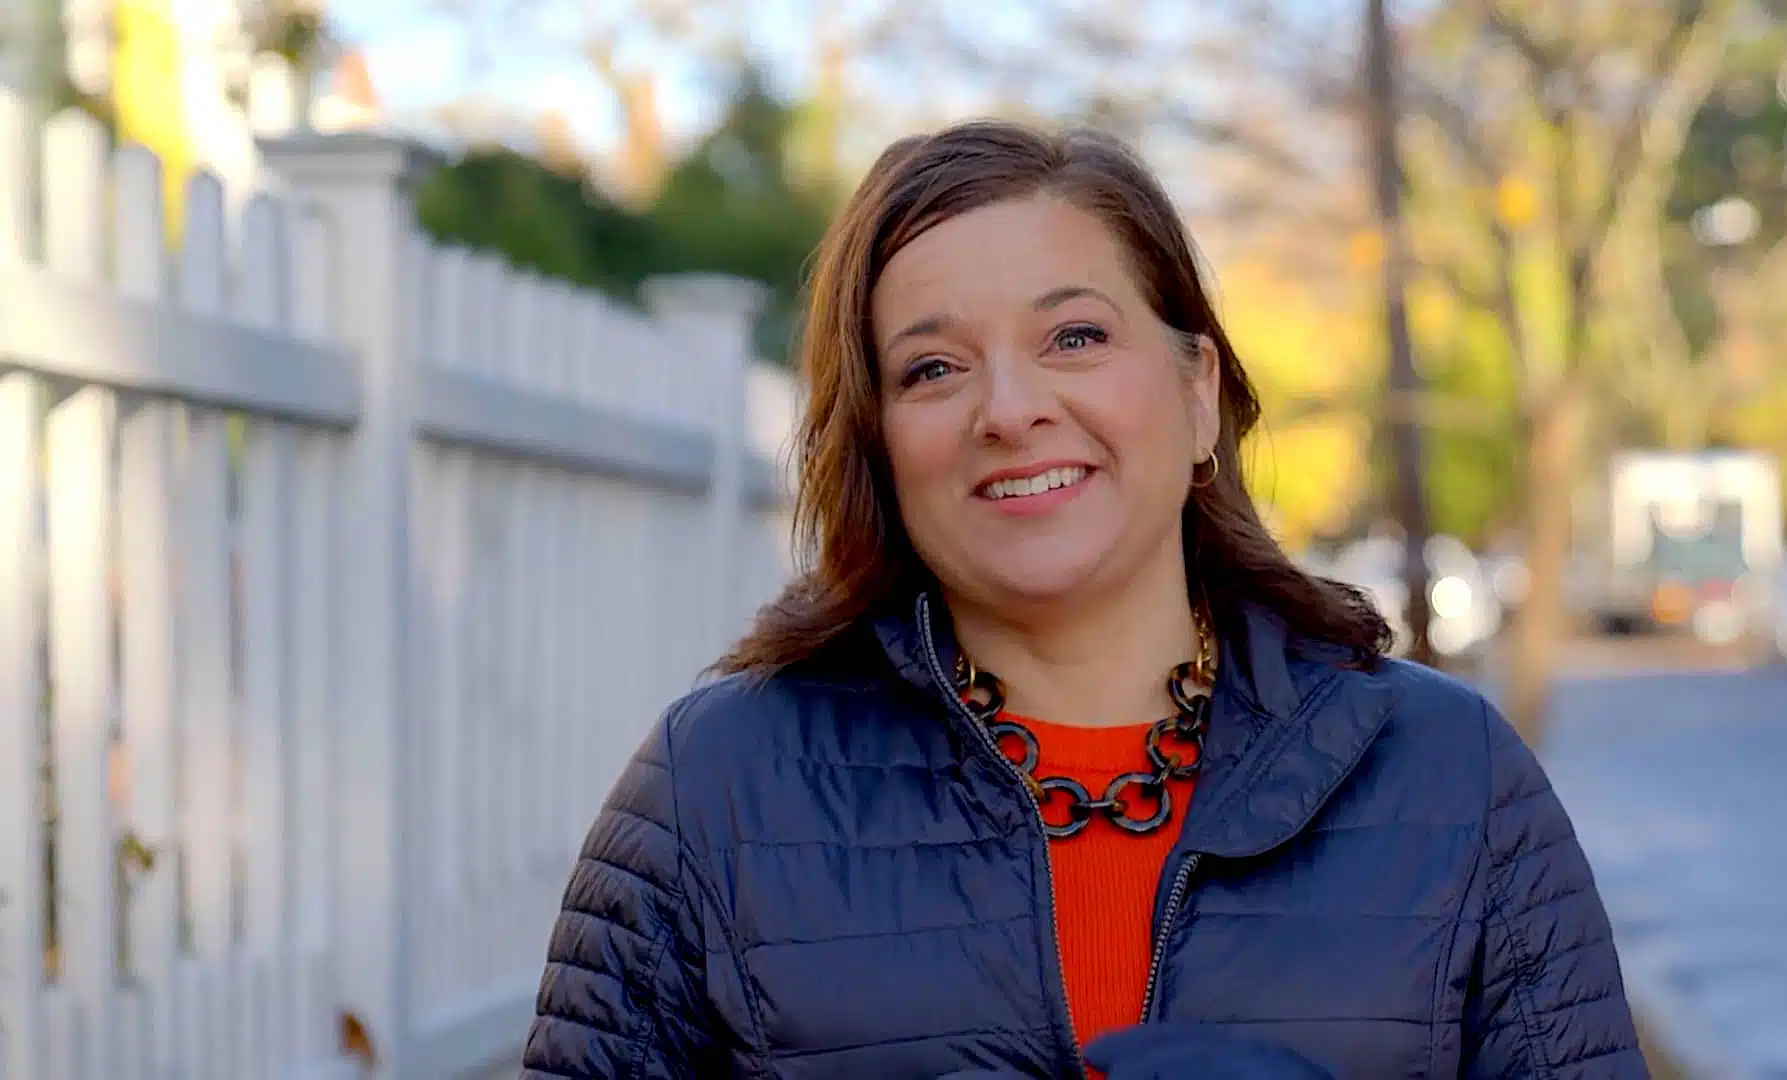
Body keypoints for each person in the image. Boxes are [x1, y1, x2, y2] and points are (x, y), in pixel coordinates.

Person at [521, 120, 1649, 1080]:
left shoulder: (1450, 777)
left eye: (1075, 337)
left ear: (1198, 391)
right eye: (933, 368)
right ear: (879, 444)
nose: (1009, 409)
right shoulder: (717, 792)